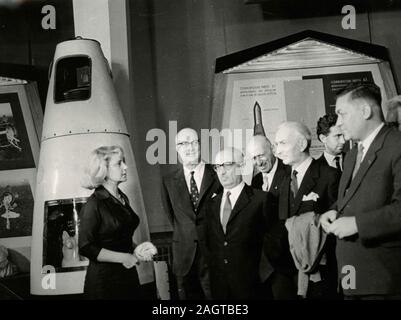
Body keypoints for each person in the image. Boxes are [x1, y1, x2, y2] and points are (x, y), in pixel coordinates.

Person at [320, 83, 401, 300]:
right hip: (351, 276)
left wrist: (357, 224)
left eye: (342, 114)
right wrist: (334, 210)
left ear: (365, 111)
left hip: (383, 282)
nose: (338, 123)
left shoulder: (397, 146)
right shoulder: (352, 154)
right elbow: (351, 197)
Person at [266, 121, 340, 299]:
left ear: (302, 144)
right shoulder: (283, 182)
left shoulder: (329, 176)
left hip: (320, 278)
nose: (277, 151)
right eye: (275, 145)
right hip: (289, 278)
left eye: (282, 143)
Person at [79, 145, 157, 300]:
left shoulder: (121, 198)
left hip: (126, 276)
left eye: (124, 162)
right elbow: (86, 246)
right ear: (104, 171)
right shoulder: (94, 204)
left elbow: (117, 235)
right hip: (104, 283)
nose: (125, 167)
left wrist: (137, 248)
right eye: (119, 163)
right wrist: (125, 258)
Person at [205, 147, 274, 299]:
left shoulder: (261, 200)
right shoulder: (211, 204)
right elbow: (211, 245)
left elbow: (272, 244)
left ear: (241, 166)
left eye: (228, 165)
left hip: (253, 287)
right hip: (220, 288)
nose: (221, 172)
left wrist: (261, 277)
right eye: (217, 167)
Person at [161, 128, 221, 300]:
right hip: (184, 256)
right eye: (183, 143)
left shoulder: (218, 173)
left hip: (214, 254)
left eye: (194, 142)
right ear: (176, 149)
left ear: (200, 145)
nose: (190, 148)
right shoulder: (168, 181)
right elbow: (172, 216)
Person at [246, 134, 288, 299]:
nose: (258, 162)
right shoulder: (255, 181)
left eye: (261, 155)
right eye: (254, 158)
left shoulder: (288, 172)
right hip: (264, 261)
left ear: (272, 149)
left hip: (285, 258)